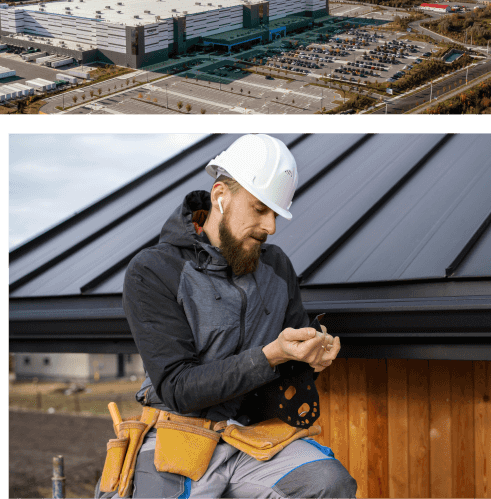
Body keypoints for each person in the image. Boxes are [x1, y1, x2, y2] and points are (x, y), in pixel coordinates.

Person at [100, 134, 357, 498]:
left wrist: (312, 355)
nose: (271, 227)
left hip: (252, 437)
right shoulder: (154, 270)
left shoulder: (277, 266)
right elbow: (178, 388)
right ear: (221, 195)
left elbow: (292, 354)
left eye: (275, 213)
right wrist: (271, 355)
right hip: (178, 432)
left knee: (330, 484)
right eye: (260, 209)